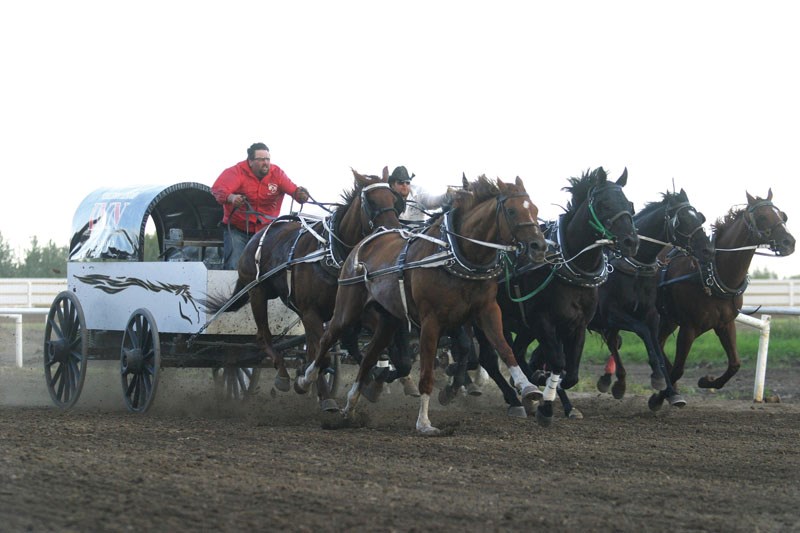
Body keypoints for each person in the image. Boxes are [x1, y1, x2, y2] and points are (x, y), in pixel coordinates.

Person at [212, 143, 310, 269]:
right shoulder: (236, 172)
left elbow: (294, 191)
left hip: (266, 231)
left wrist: (301, 195)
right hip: (238, 230)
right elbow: (218, 189)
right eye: (261, 159)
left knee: (272, 266)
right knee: (234, 265)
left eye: (268, 159)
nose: (266, 163)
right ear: (251, 161)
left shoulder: (277, 174)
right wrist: (231, 198)